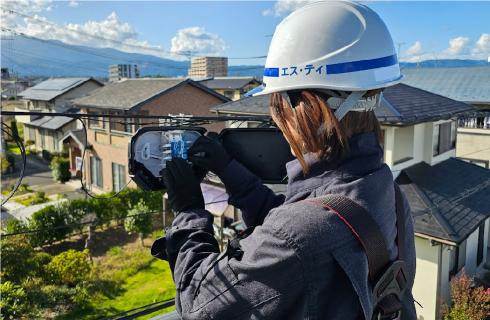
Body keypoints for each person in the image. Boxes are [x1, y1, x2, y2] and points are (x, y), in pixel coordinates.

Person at [157, 1, 416, 319]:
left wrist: (188, 211)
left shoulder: (303, 232)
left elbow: (198, 304)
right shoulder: (387, 192)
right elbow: (295, 223)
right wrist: (228, 170)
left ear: (309, 108)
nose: (279, 123)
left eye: (277, 105)